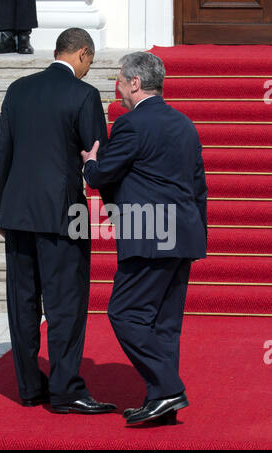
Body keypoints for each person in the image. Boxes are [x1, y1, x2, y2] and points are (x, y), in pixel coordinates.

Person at [0, 28, 116, 415]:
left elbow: (1, 153)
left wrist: (0, 209)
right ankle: (65, 391)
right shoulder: (84, 94)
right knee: (66, 305)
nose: (88, 69)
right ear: (81, 53)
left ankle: (29, 388)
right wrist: (115, 207)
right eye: (90, 62)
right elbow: (97, 157)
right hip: (64, 215)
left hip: (17, 214)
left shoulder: (18, 89)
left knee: (22, 303)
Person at [82, 52, 207, 425]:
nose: (117, 88)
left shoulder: (132, 125)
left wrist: (90, 160)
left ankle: (168, 388)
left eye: (119, 80)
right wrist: (196, 233)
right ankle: (161, 403)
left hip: (149, 235)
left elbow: (101, 175)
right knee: (165, 324)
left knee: (124, 313)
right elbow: (199, 185)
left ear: (135, 83)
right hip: (183, 234)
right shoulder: (185, 124)